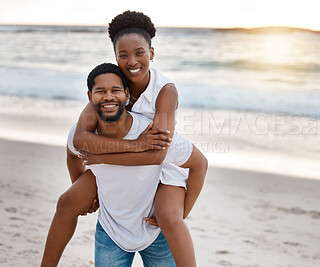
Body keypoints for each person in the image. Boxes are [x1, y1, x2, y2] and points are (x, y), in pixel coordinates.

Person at [41, 11, 206, 267]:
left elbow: (158, 154)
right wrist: (96, 180)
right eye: (123, 55)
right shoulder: (111, 86)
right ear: (115, 56)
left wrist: (100, 157)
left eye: (139, 52)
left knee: (169, 217)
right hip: (120, 151)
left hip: (160, 165)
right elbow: (81, 137)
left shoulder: (165, 91)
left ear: (151, 53)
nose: (132, 61)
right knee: (67, 202)